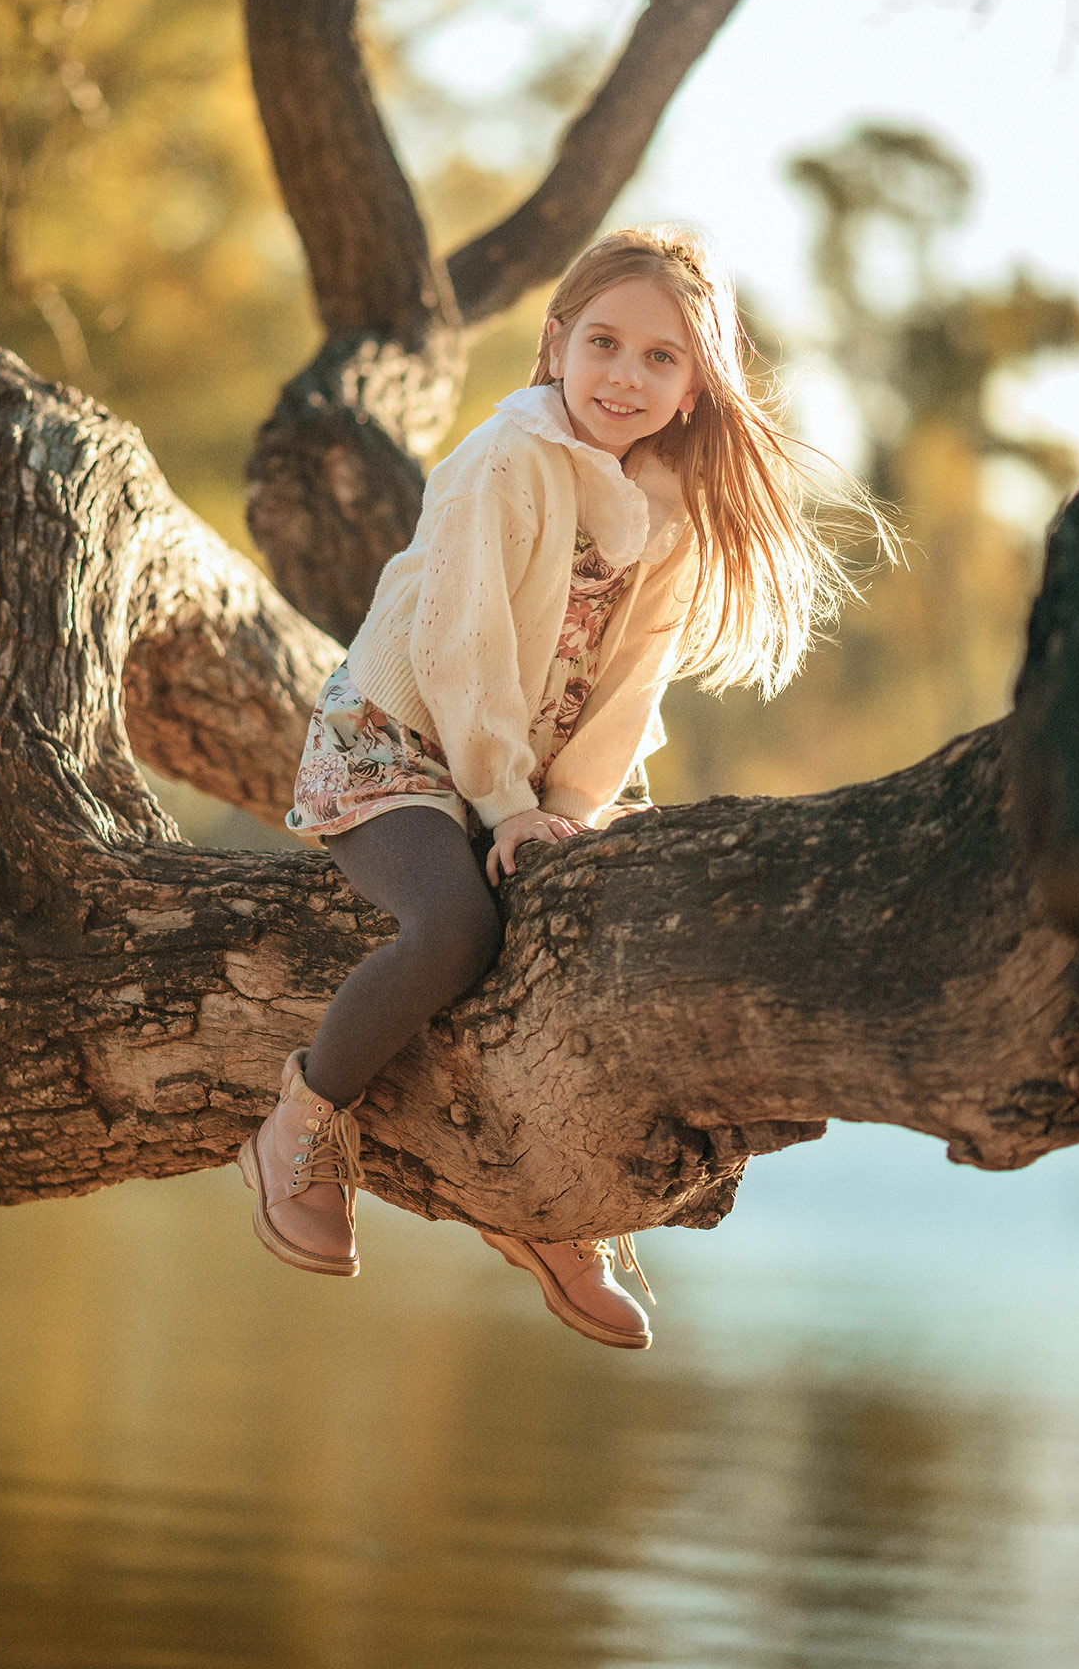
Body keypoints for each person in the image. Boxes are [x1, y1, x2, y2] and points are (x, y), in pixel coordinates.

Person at [238, 223, 887, 1351]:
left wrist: (568, 816)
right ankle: (301, 1121)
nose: (623, 376)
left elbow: (631, 686)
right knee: (454, 928)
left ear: (694, 388)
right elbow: (459, 652)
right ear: (553, 346)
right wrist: (500, 809)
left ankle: (547, 1205)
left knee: (597, 924)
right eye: (602, 344)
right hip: (398, 740)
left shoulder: (671, 509)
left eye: (658, 359)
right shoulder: (506, 457)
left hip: (523, 777)